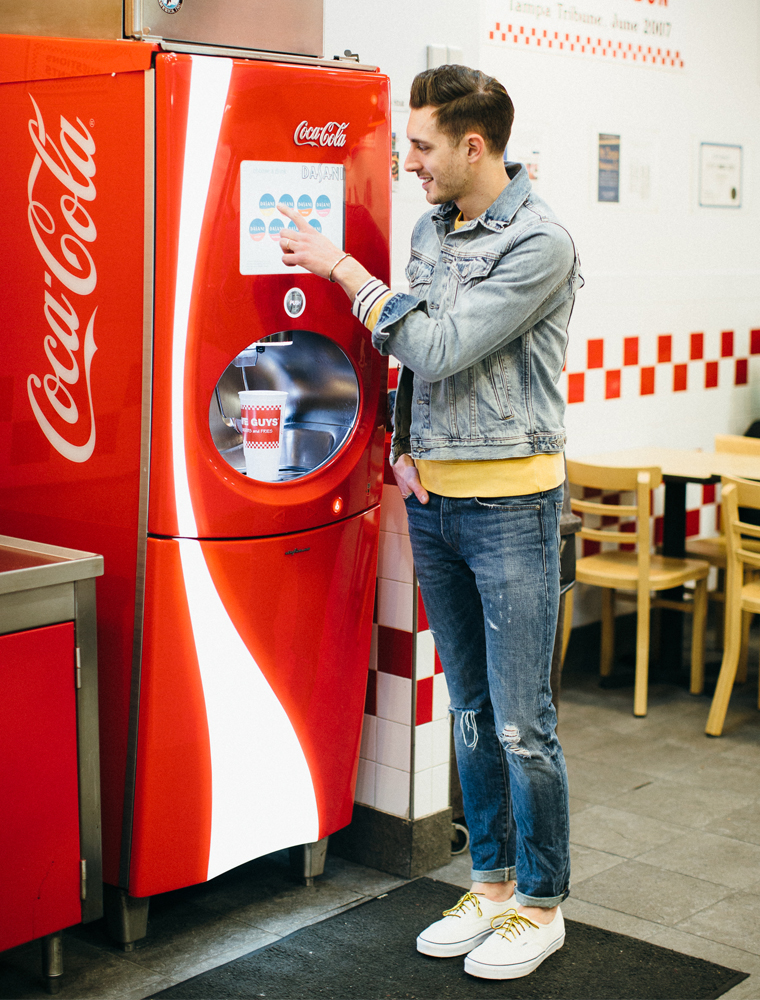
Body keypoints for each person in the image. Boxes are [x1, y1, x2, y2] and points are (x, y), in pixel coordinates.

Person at [276, 63, 582, 981]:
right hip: (439, 501)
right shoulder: (430, 227)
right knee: (474, 709)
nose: (408, 161)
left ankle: (542, 901)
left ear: (472, 146)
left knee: (525, 721)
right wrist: (402, 448)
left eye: (421, 144)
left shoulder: (540, 243)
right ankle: (489, 886)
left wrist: (341, 272)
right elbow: (421, 370)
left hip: (514, 506)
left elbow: (441, 342)